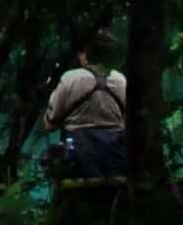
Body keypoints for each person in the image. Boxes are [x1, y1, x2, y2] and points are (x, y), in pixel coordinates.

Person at [44, 47, 129, 177]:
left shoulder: (70, 78)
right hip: (114, 162)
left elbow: (49, 125)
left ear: (84, 56)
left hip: (78, 161)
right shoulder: (121, 80)